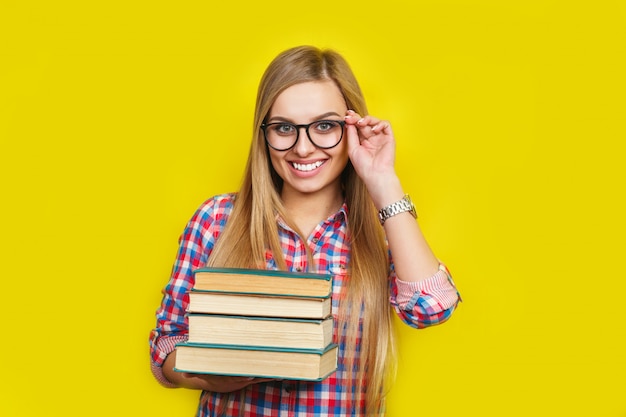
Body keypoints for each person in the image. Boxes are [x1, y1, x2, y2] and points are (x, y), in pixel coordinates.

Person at [149, 45, 461, 417]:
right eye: (284, 128)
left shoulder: (384, 232)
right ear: (263, 134)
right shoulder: (216, 219)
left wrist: (383, 182)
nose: (302, 147)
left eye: (324, 126)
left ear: (352, 128)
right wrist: (204, 376)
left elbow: (431, 308)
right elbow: (165, 345)